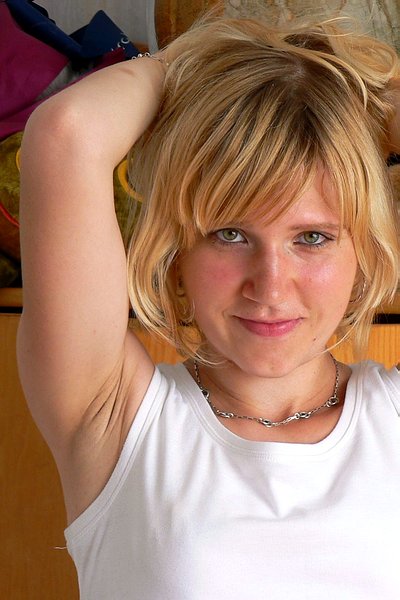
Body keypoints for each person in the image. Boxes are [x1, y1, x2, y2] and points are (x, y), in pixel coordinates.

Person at [17, 10, 400, 600]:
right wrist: (199, 64)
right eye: (231, 234)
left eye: (312, 237)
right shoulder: (114, 419)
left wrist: (363, 93)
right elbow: (67, 135)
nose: (271, 287)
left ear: (363, 249)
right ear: (179, 251)